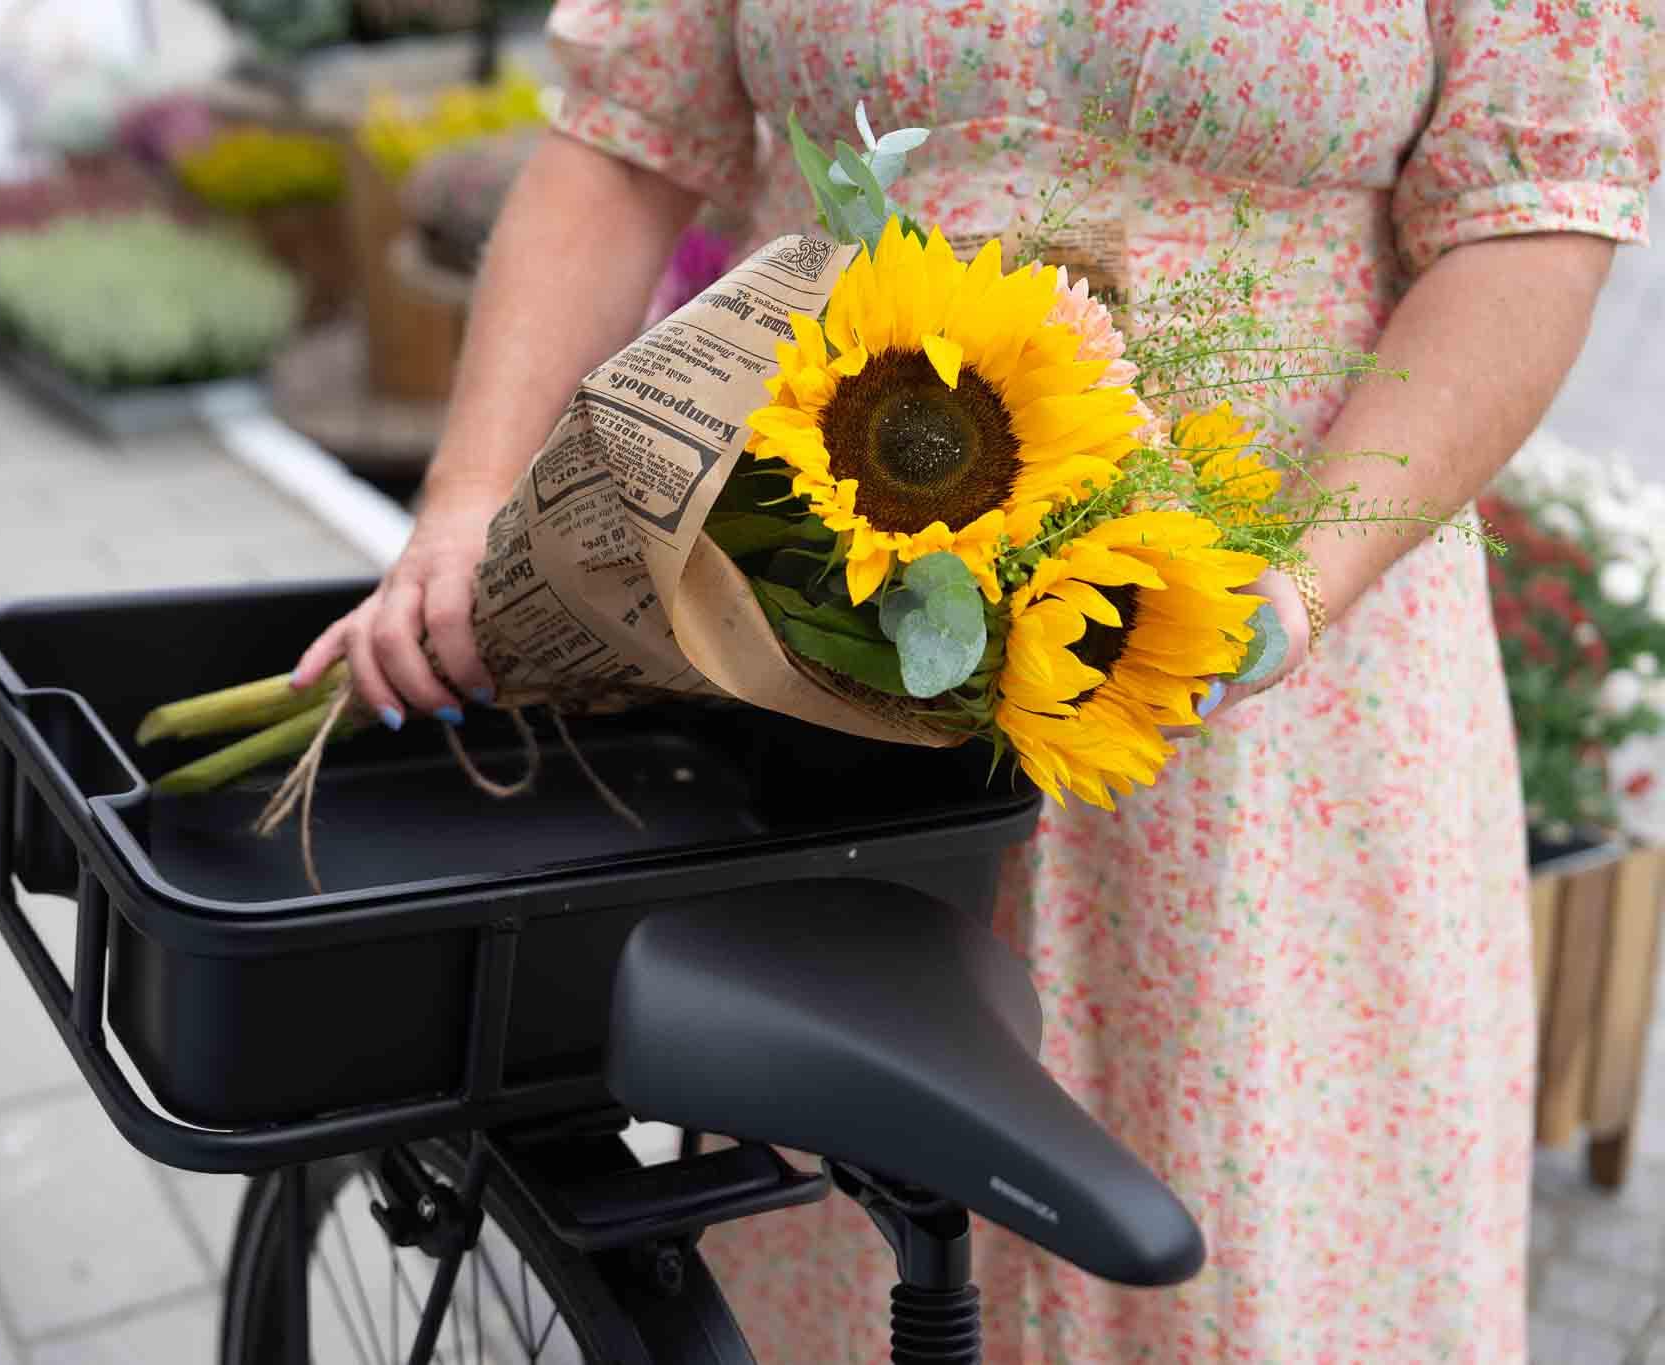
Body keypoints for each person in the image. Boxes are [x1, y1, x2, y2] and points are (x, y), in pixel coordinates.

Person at [294, 2, 1662, 1357]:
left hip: (1272, 720)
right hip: (826, 657)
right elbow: (624, 138)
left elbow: (1525, 219)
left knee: (1245, 1250)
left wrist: (1290, 587)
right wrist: (470, 503)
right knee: (841, 1241)